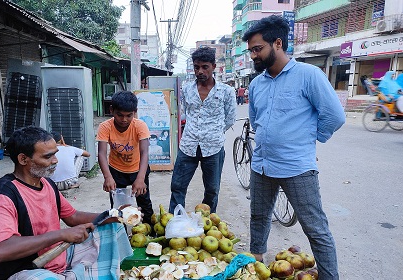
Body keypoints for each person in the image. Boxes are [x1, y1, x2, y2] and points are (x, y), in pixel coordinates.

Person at [242, 15, 345, 279]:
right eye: (251, 50)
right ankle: (257, 267)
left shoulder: (309, 75)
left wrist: (309, 139)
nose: (253, 55)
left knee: (316, 229)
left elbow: (334, 116)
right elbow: (256, 120)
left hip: (297, 167)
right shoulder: (256, 84)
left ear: (278, 43)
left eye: (258, 49)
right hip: (262, 164)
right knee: (259, 218)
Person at [0, 126, 131, 279]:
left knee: (113, 228)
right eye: (47, 157)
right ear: (23, 159)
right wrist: (61, 234)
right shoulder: (4, 195)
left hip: (56, 256)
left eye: (55, 154)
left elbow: (72, 216)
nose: (55, 161)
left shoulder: (46, 183)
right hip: (25, 270)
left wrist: (113, 215)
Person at [169, 46, 236, 213]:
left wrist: (213, 132)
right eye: (196, 67)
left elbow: (230, 119)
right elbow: (186, 112)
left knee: (212, 190)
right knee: (177, 186)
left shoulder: (226, 91)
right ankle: (174, 222)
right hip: (188, 145)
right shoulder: (186, 89)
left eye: (205, 67)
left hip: (213, 147)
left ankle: (207, 222)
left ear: (213, 66)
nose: (200, 71)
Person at [96, 91, 154, 225]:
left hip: (138, 169)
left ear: (135, 112)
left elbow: (144, 152)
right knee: (118, 207)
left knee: (144, 202)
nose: (124, 119)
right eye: (120, 115)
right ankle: (120, 233)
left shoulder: (140, 126)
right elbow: (101, 153)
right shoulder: (105, 127)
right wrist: (107, 177)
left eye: (129, 115)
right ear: (112, 110)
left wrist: (140, 178)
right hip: (116, 170)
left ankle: (149, 231)